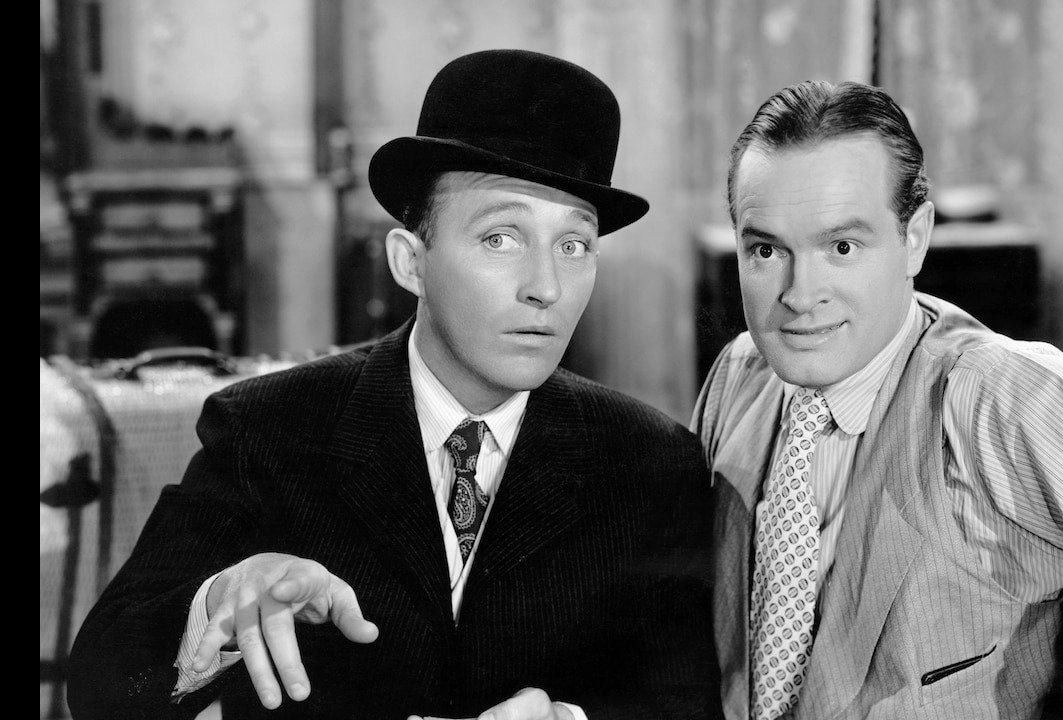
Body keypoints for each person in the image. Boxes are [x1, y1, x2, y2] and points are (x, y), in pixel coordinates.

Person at [67, 49, 723, 720]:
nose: (545, 288)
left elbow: (683, 704)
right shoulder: (268, 429)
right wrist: (218, 603)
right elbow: (102, 685)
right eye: (501, 238)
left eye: (573, 246)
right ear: (410, 262)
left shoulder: (650, 462)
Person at [691, 79, 1063, 720]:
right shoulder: (741, 373)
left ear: (914, 239)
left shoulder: (991, 392)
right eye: (765, 250)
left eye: (842, 247)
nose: (799, 294)